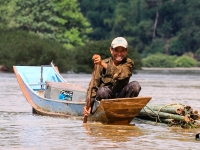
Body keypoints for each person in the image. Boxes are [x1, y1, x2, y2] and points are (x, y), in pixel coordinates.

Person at [84, 37, 141, 116]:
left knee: (135, 86)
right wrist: (89, 105)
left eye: (122, 51)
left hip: (122, 97)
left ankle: (125, 112)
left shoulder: (128, 63)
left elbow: (120, 73)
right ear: (111, 50)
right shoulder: (101, 64)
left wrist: (102, 64)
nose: (119, 54)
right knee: (102, 91)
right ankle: (106, 113)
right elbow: (93, 86)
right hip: (107, 97)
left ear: (126, 51)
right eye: (116, 50)